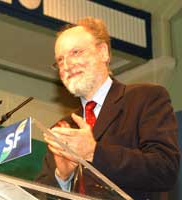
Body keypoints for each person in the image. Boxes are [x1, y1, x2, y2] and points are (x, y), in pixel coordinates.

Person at [36, 16, 180, 200]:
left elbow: (164, 169)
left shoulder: (146, 98)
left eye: (76, 53)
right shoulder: (63, 128)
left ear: (103, 52)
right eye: (60, 60)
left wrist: (94, 152)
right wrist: (63, 177)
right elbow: (39, 193)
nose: (67, 65)